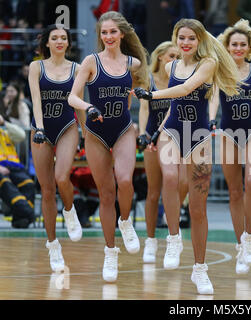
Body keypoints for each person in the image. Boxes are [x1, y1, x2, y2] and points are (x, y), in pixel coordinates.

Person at [133, 18, 240, 294]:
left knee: (197, 207)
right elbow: (175, 105)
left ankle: (200, 270)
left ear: (199, 41)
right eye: (181, 38)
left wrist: (152, 95)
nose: (185, 43)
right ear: (175, 39)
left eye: (191, 38)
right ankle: (172, 238)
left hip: (199, 136)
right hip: (172, 130)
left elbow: (184, 90)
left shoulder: (209, 64)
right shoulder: (170, 66)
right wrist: (156, 132)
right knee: (169, 177)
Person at [68, 11, 150, 282]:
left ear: (122, 34)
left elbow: (134, 94)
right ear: (100, 35)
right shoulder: (91, 61)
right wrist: (88, 107)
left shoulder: (134, 63)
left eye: (113, 32)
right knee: (106, 193)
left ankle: (125, 221)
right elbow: (72, 97)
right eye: (104, 33)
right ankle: (110, 251)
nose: (108, 37)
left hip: (124, 129)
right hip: (95, 132)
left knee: (125, 181)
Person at [209, 19, 251, 274]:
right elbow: (212, 99)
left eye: (243, 44)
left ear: (249, 46)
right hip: (227, 132)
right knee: (234, 191)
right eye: (234, 44)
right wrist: (210, 120)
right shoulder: (219, 69)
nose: (238, 48)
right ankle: (239, 245)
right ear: (227, 45)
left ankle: (250, 237)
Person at [28, 24, 84, 273]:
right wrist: (39, 128)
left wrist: (85, 132)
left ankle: (70, 211)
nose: (60, 41)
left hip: (67, 127)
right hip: (41, 129)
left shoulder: (77, 68)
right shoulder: (36, 67)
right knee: (47, 190)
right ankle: (53, 245)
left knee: (62, 177)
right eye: (55, 38)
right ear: (47, 43)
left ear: (68, 43)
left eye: (64, 38)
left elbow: (80, 104)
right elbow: (36, 99)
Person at [136, 41, 189, 266]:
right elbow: (144, 108)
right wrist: (143, 134)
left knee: (182, 181)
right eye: (171, 56)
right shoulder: (148, 79)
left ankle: (172, 217)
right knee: (152, 191)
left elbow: (173, 111)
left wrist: (159, 133)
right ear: (160, 57)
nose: (175, 60)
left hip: (174, 135)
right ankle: (150, 240)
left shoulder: (182, 80)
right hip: (152, 136)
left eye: (178, 56)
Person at [0, 114, 35, 228]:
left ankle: (20, 219)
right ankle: (28, 212)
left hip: (14, 167)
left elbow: (21, 135)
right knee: (5, 183)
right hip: (1, 169)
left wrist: (4, 123)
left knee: (28, 184)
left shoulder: (5, 131)